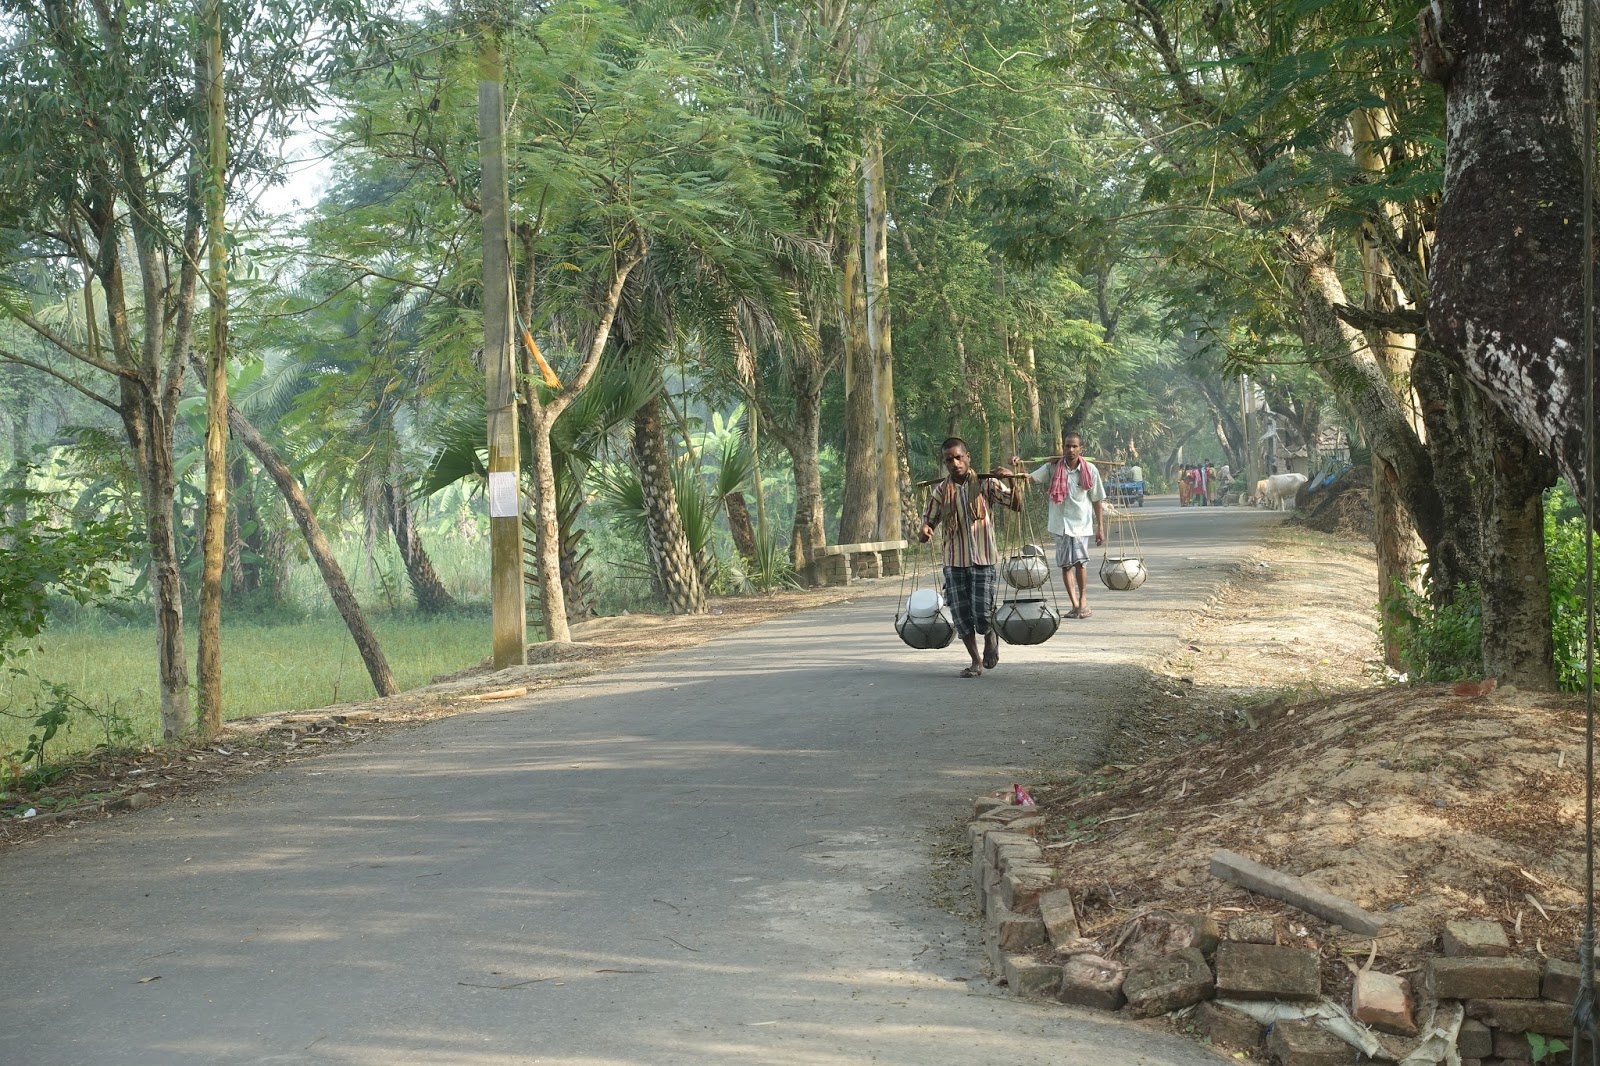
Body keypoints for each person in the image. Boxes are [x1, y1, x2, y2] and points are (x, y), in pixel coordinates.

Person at [919, 437, 1019, 678]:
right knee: (961, 615)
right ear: (945, 464)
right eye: (948, 460)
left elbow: (1015, 504)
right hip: (954, 560)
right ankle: (975, 661)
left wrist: (1011, 481)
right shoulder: (941, 490)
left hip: (983, 558)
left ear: (967, 457)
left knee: (983, 612)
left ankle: (990, 636)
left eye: (958, 457)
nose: (954, 463)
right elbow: (928, 520)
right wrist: (925, 529)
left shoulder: (986, 484)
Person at [1014, 431, 1105, 620]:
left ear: (1081, 449)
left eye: (1074, 446)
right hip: (1060, 524)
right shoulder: (1052, 468)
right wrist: (1017, 465)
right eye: (1067, 446)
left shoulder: (1090, 470)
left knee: (1080, 562)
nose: (1070, 450)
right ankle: (1074, 604)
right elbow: (1029, 478)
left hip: (1081, 524)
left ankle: (1083, 601)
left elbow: (1097, 500)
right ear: (1063, 448)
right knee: (1065, 565)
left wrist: (1100, 527)